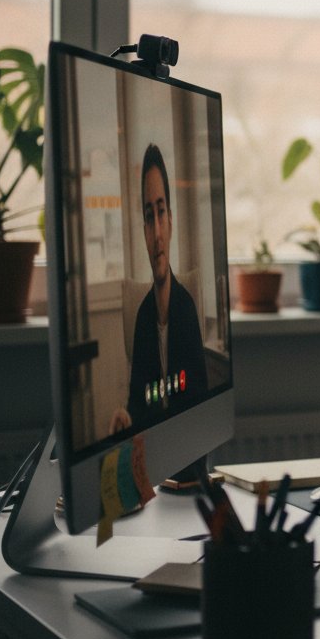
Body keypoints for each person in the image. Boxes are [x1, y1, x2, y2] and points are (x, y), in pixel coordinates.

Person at [109, 143, 208, 433]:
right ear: (144, 230)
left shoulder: (186, 308)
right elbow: (139, 401)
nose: (157, 234)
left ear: (171, 222)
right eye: (149, 216)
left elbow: (198, 401)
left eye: (161, 212)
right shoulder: (142, 317)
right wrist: (126, 418)